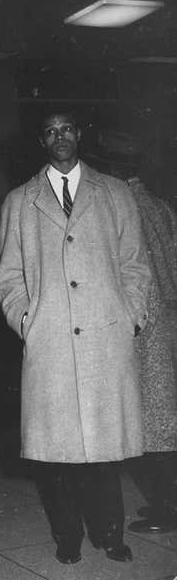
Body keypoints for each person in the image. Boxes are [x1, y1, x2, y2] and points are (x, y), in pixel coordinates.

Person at [0, 112, 151, 565]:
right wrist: (28, 321)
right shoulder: (19, 201)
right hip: (51, 344)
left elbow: (136, 265)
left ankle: (111, 534)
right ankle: (67, 537)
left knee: (105, 451)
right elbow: (9, 278)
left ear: (79, 134)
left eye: (67, 129)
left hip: (106, 340)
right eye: (50, 131)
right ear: (40, 140)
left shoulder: (115, 194)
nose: (59, 137)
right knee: (58, 456)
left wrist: (131, 317)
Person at [89, 130, 177, 534]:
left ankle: (168, 510)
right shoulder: (160, 207)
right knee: (163, 425)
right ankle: (165, 505)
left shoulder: (118, 209)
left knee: (151, 431)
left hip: (140, 332)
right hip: (167, 329)